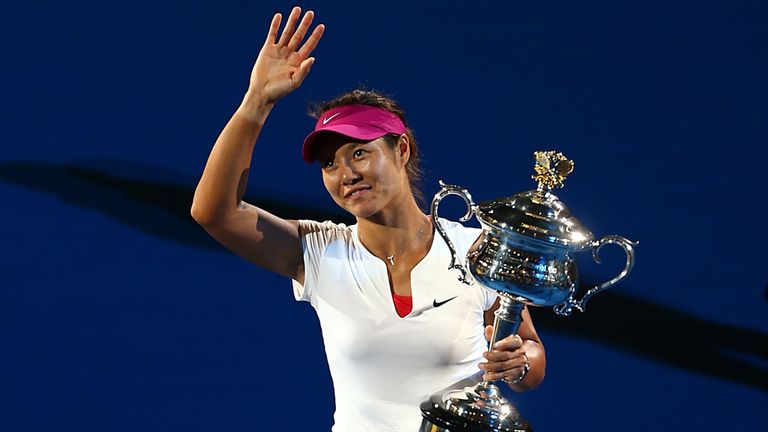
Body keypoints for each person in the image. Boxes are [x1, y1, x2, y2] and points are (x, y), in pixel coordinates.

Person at [191, 7, 545, 431]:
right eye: (329, 164)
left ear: (401, 150)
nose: (346, 175)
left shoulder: (476, 249)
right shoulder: (317, 252)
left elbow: (529, 351)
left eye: (359, 152)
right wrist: (256, 103)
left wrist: (521, 363)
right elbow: (213, 212)